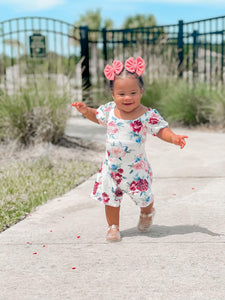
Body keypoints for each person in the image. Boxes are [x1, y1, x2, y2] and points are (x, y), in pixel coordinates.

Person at [72, 56, 188, 242]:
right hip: (112, 168)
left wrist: (173, 138)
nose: (127, 98)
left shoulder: (146, 114)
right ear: (113, 94)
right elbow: (97, 115)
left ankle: (147, 211)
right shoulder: (109, 111)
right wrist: (86, 111)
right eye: (122, 94)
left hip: (136, 170)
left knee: (143, 197)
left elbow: (160, 130)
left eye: (133, 93)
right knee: (110, 198)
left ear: (141, 92)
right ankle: (113, 227)